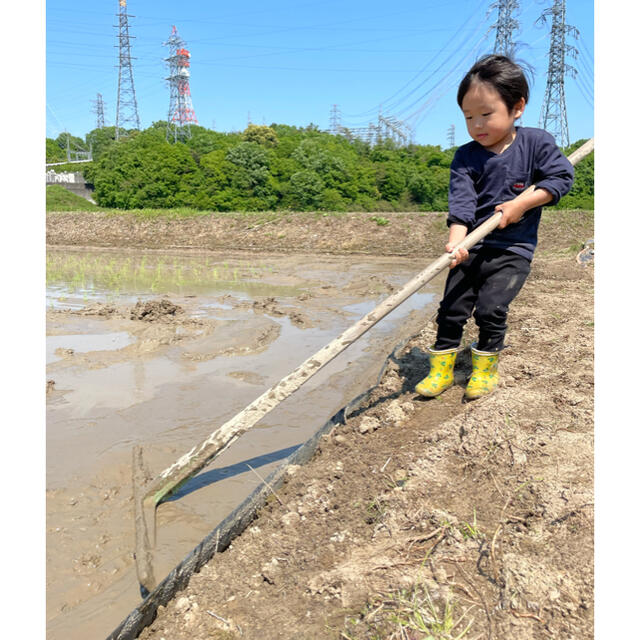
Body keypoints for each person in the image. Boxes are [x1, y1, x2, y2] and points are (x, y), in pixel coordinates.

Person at [415, 54, 574, 400]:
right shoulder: (466, 157)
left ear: (517, 107)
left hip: (512, 250)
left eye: (486, 114)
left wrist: (521, 204)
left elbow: (561, 178)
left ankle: (484, 369)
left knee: (491, 309)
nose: (477, 125)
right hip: (473, 246)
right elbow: (461, 207)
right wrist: (457, 244)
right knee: (452, 308)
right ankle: (441, 369)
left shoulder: (536, 143)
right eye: (468, 117)